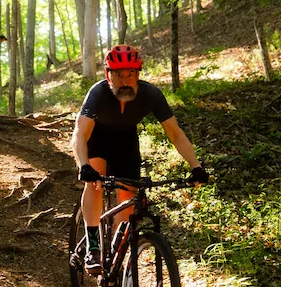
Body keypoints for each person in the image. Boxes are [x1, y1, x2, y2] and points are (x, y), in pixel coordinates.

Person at [71, 44, 207, 272]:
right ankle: (93, 246)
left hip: (125, 140)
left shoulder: (150, 95)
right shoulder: (98, 94)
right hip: (96, 137)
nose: (125, 81)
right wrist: (84, 166)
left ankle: (114, 252)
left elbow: (175, 133)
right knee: (95, 181)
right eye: (119, 75)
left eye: (131, 74)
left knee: (128, 196)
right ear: (108, 75)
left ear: (138, 74)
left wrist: (196, 167)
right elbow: (80, 133)